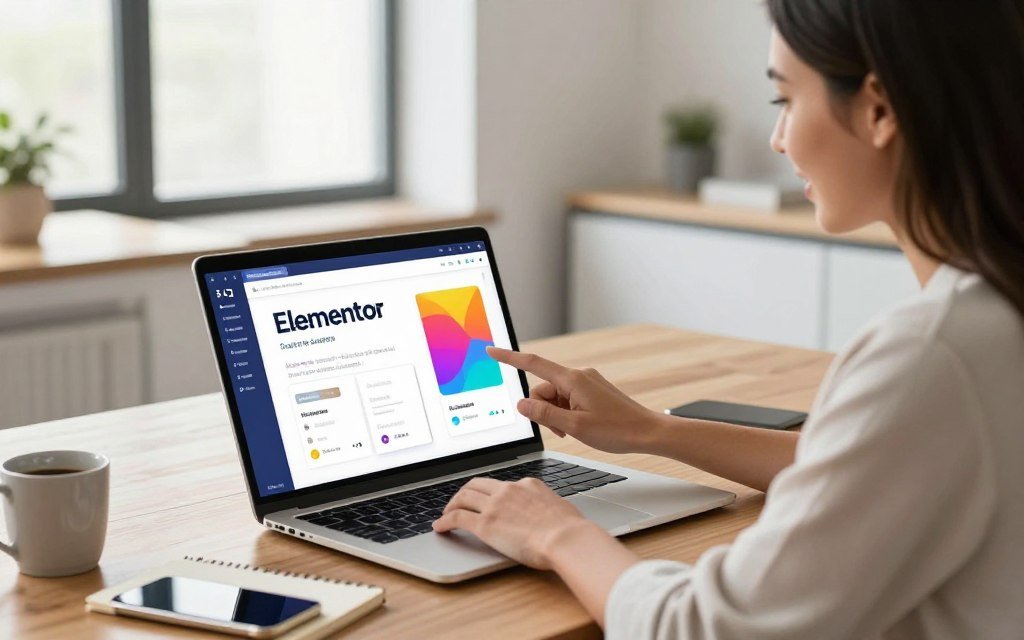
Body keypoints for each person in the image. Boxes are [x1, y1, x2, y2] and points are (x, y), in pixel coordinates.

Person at [432, 1, 1024, 638]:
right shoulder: (992, 315)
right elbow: (863, 470)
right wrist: (652, 431)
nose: (778, 138)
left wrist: (555, 532)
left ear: (879, 110)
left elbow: (706, 627)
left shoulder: (931, 353)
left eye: (785, 101)